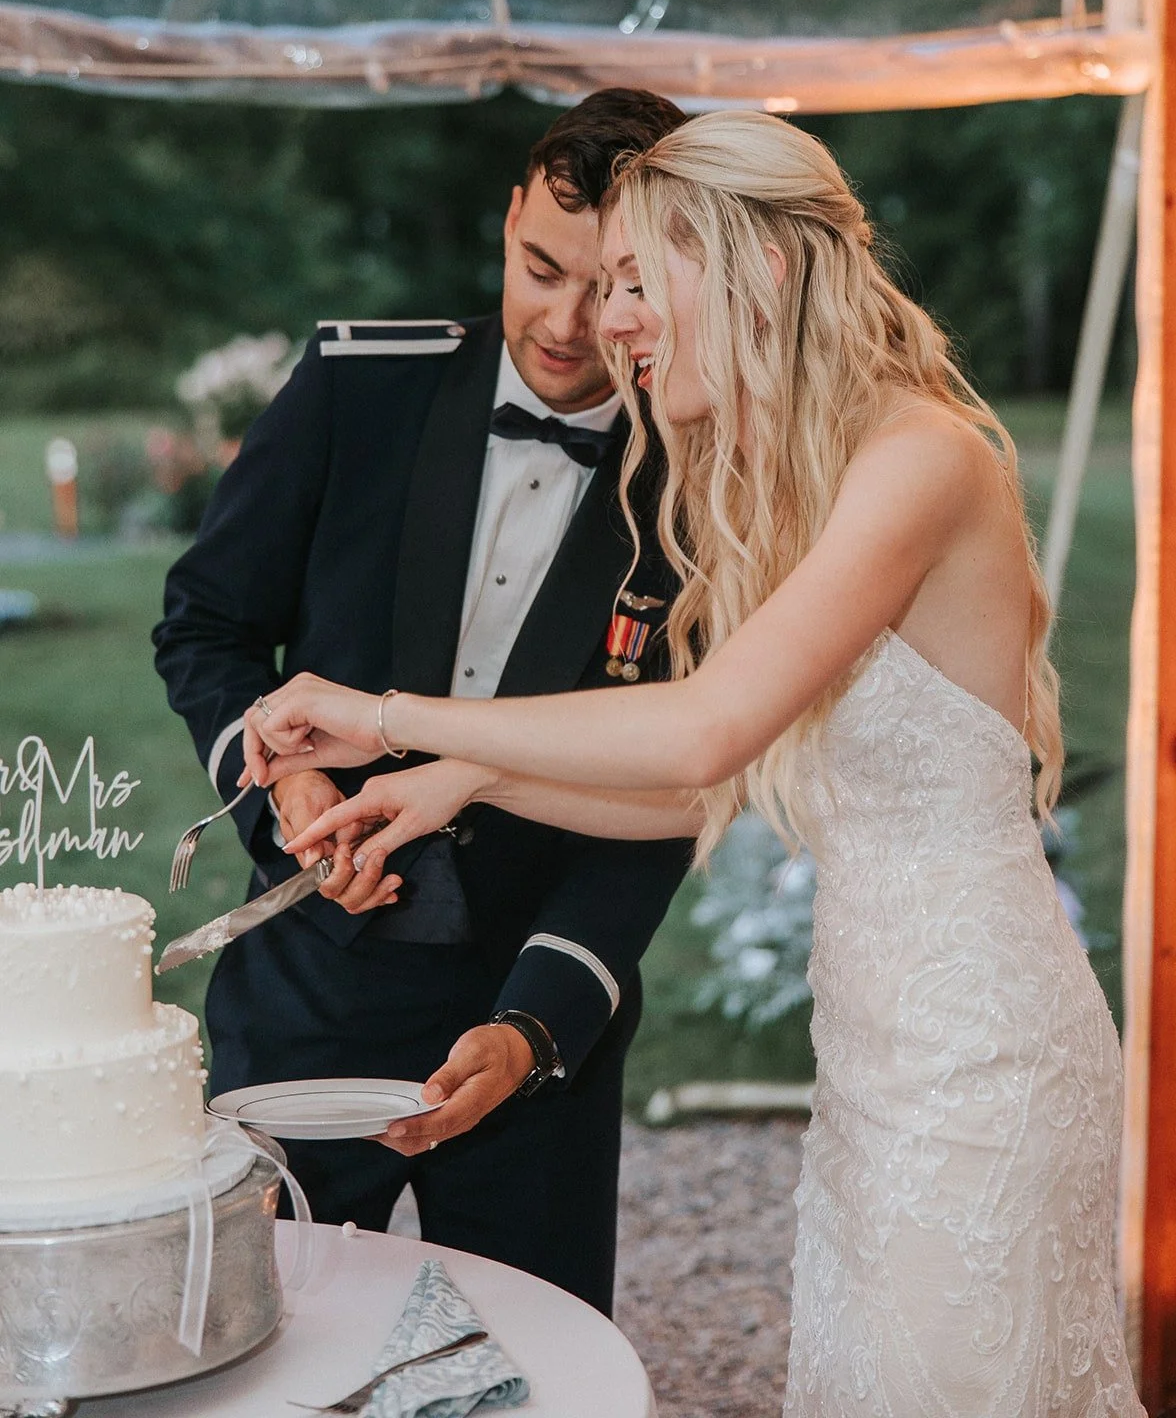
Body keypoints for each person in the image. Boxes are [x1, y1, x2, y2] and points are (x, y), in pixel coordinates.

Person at [244, 111, 1144, 1415]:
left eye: (631, 283)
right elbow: (688, 789)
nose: (611, 324)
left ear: (757, 270)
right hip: (879, 1059)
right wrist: (474, 782)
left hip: (980, 1066)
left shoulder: (923, 459)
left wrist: (398, 720)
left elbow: (703, 724)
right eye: (594, 285)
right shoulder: (816, 479)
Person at [152, 87, 693, 1315]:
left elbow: (669, 791)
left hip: (536, 1000)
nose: (562, 323)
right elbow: (209, 626)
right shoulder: (363, 387)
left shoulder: (701, 479)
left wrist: (534, 1027)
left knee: (523, 1358)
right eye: (537, 265)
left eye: (604, 287)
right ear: (507, 216)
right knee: (267, 1336)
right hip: (308, 986)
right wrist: (288, 786)